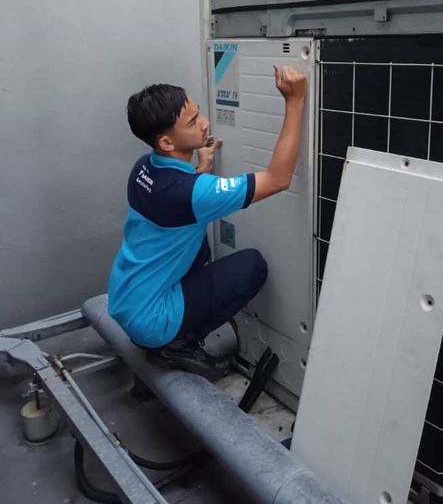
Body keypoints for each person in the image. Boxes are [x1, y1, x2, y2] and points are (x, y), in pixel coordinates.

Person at [108, 64, 307, 380]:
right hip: (153, 319)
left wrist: (202, 168)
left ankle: (170, 334)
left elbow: (177, 202)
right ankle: (178, 344)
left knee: (200, 248)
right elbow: (278, 179)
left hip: (125, 299)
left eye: (198, 113)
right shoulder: (192, 194)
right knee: (252, 266)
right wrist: (295, 101)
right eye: (192, 122)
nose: (205, 123)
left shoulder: (143, 167)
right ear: (166, 143)